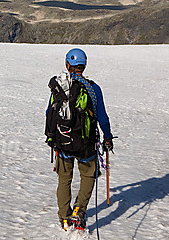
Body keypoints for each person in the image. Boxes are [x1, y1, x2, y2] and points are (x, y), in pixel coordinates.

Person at [45, 48, 114, 231]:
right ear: (84, 65)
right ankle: (79, 210)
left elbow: (49, 113)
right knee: (88, 175)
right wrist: (108, 138)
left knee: (64, 179)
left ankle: (64, 217)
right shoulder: (93, 88)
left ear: (67, 64)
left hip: (63, 141)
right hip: (86, 144)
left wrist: (52, 137)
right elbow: (102, 117)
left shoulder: (60, 86)